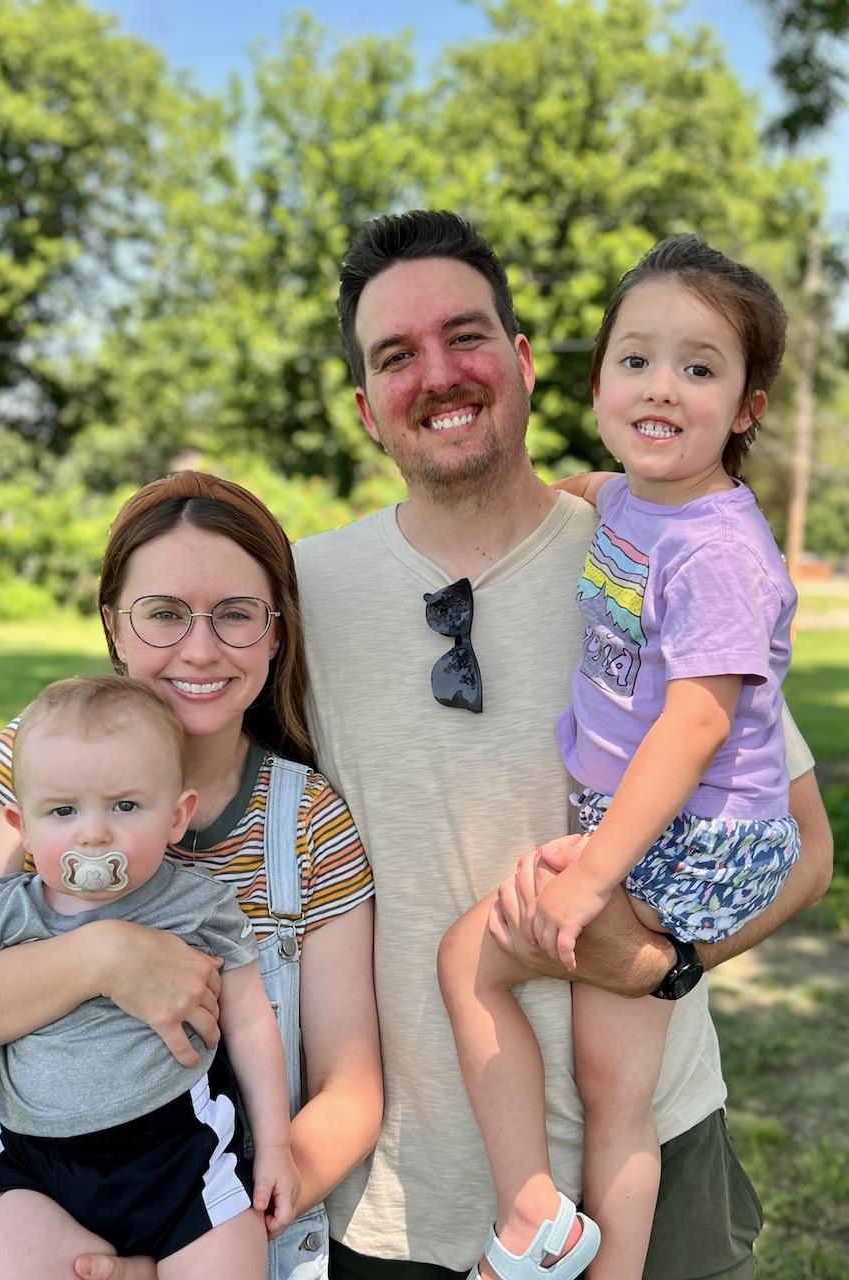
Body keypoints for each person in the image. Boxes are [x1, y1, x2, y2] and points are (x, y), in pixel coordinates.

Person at [292, 209, 833, 1280]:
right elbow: (149, 744)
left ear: (526, 360)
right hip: (403, 1198)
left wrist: (670, 961)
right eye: (396, 356)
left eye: (466, 336)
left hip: (656, 1159)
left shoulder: (658, 545)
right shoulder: (300, 593)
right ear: (364, 408)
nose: (438, 374)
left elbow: (804, 848)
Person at [437, 235, 801, 1280]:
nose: (661, 386)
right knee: (614, 1091)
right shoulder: (645, 499)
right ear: (596, 382)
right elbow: (606, 489)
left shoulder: (718, 549)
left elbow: (697, 723)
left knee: (468, 957)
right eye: (635, 360)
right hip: (665, 827)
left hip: (691, 836)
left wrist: (594, 874)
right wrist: (573, 492)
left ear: (746, 408)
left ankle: (533, 1219)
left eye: (699, 368)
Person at [0, 471, 382, 1280]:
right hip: (28, 1217)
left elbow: (351, 1087)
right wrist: (104, 956)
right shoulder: (36, 765)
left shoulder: (306, 823)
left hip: (213, 1221)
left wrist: (219, 1228)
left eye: (235, 614)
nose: (200, 649)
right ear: (115, 628)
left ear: (276, 633)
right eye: (164, 614)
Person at [0, 675, 297, 1277]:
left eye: (125, 806)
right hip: (42, 1177)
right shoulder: (0, 913)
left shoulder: (199, 907)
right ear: (22, 826)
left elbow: (250, 1022)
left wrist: (276, 1145)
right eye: (63, 811)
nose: (93, 833)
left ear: (177, 816)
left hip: (184, 1165)